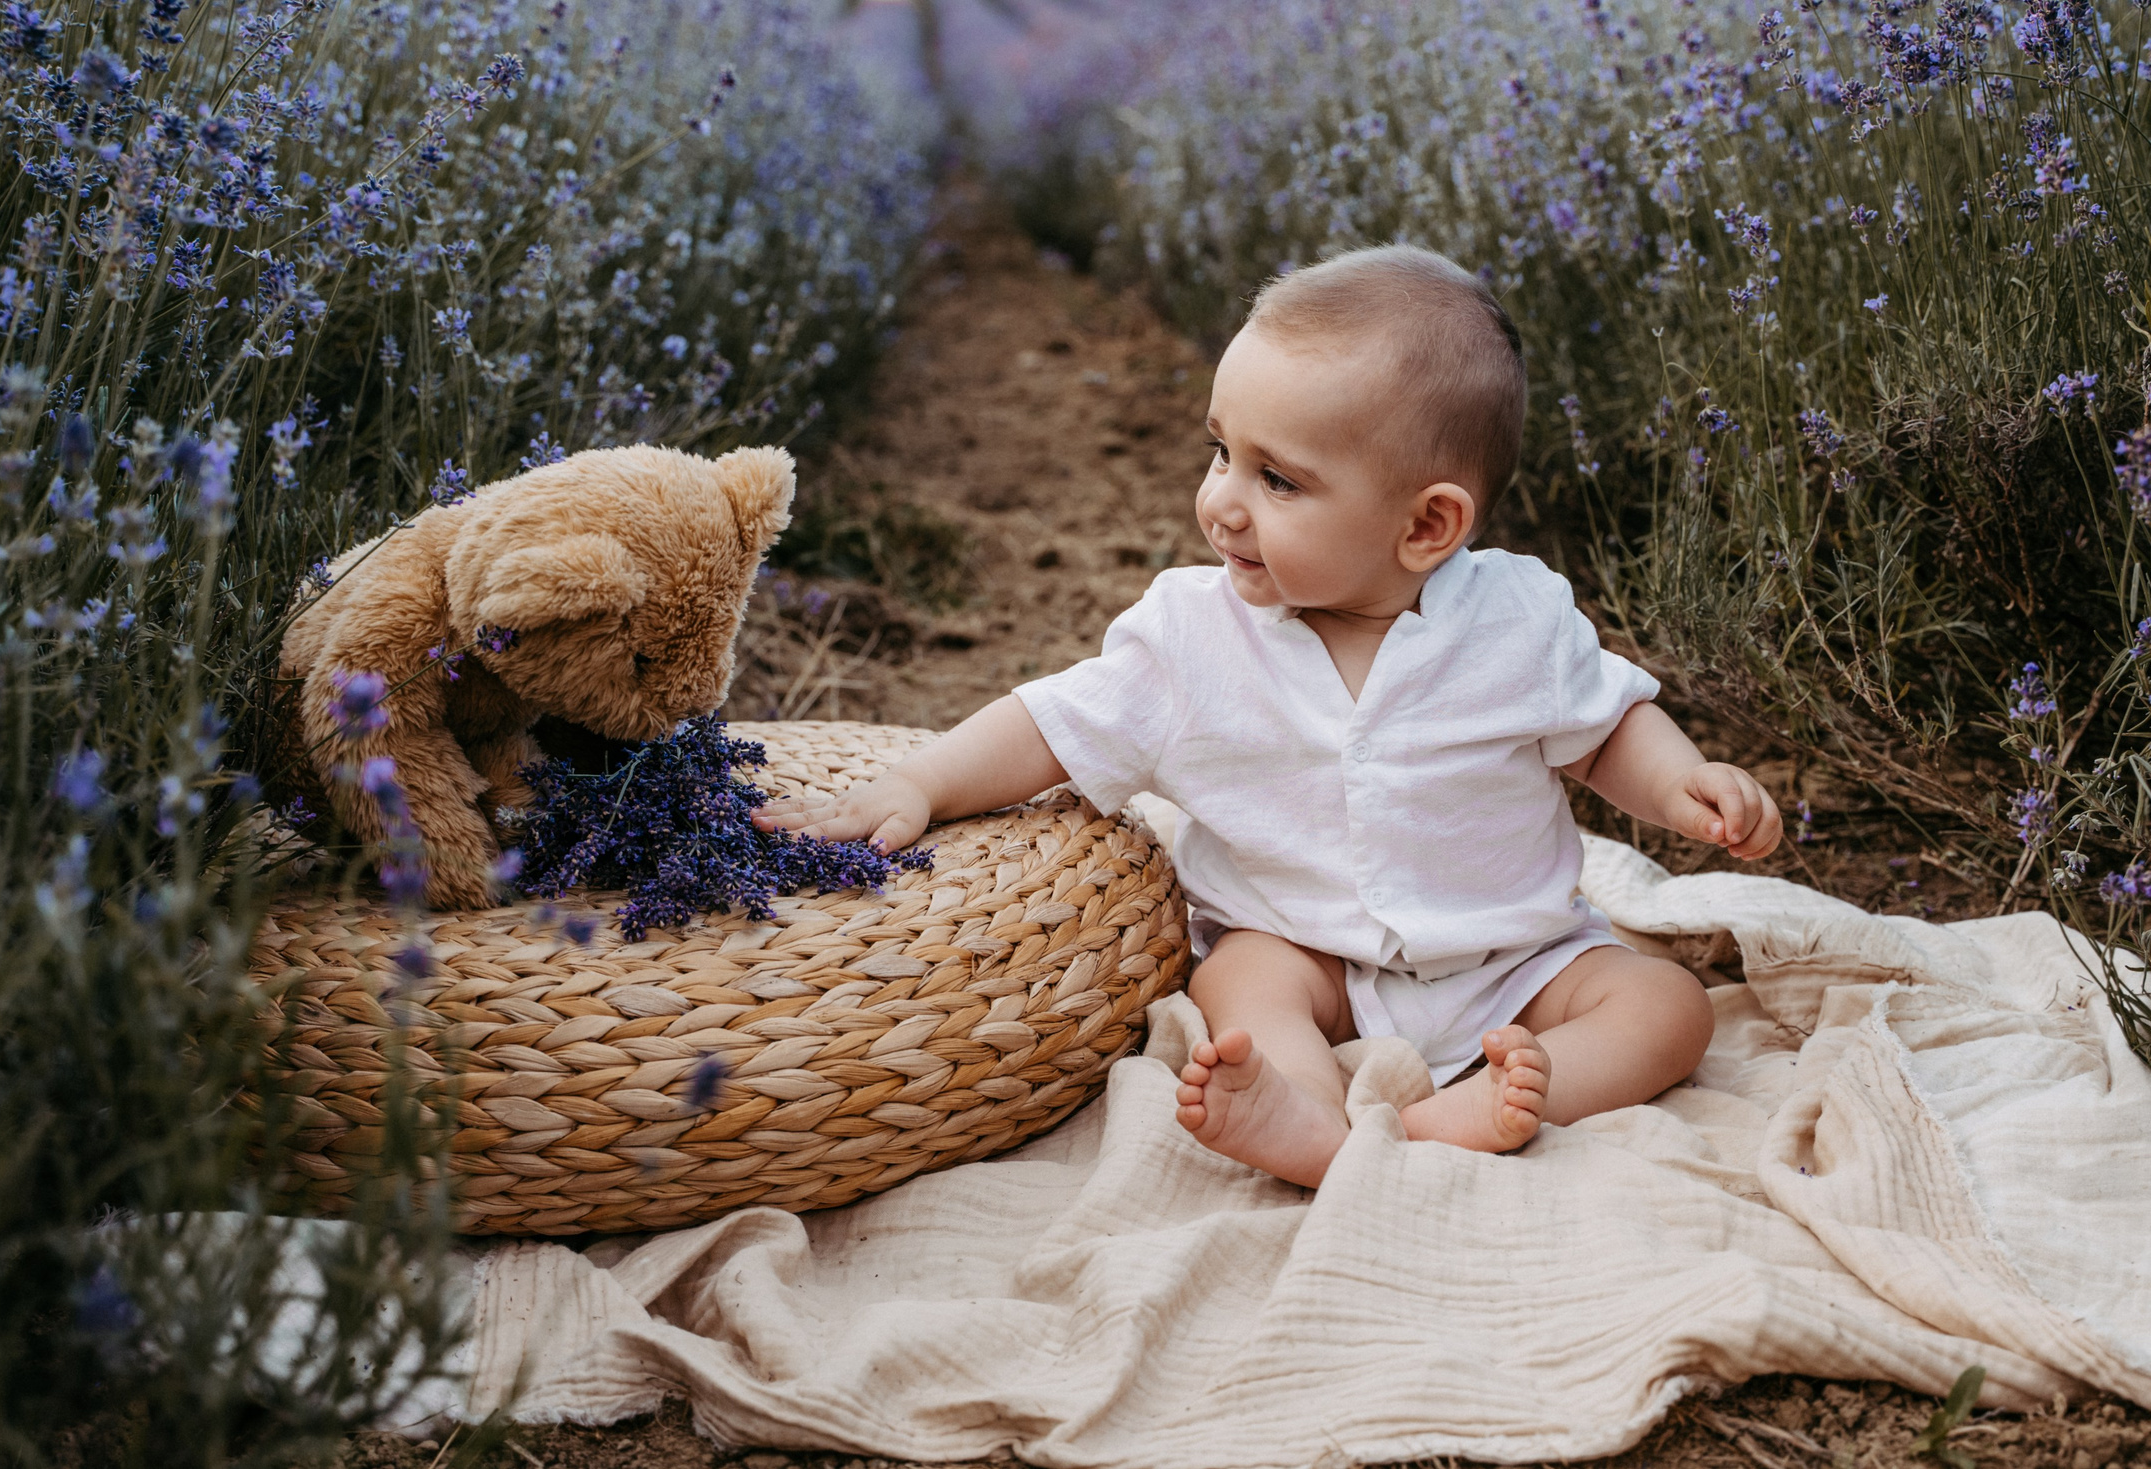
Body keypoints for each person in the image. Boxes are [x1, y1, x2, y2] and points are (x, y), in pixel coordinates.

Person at [755, 244, 1781, 1189]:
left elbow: (1604, 726)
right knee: (1245, 977)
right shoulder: (1191, 635)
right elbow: (1053, 721)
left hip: (1516, 959)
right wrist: (922, 780)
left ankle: (1498, 1097)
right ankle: (1304, 1115)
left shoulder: (1515, 618)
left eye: (1277, 478)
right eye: (1221, 455)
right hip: (1310, 953)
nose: (1223, 505)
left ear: (1427, 524)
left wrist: (1680, 782)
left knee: (1665, 1006)